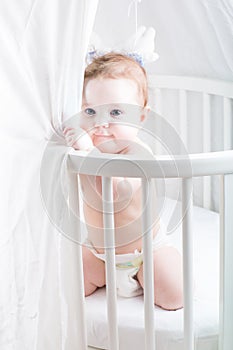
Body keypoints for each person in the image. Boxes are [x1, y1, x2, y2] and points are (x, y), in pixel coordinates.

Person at [63, 52, 183, 310]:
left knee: (174, 296)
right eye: (90, 111)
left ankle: (162, 271)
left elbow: (114, 191)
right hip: (99, 254)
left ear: (141, 117)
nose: (101, 123)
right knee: (65, 287)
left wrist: (86, 153)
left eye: (116, 112)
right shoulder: (82, 150)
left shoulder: (139, 154)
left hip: (146, 253)